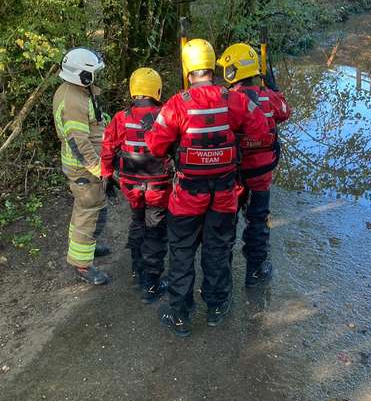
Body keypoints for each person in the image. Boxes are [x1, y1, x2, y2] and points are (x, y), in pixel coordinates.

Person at [145, 38, 269, 337]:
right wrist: (236, 139)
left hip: (187, 196)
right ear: (213, 68)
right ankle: (215, 307)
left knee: (182, 253)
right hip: (224, 195)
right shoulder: (234, 100)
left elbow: (154, 146)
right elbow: (262, 130)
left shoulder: (178, 103)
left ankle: (180, 315)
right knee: (217, 250)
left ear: (188, 71)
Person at [217, 43, 291, 287]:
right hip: (261, 175)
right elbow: (285, 111)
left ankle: (222, 273)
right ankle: (256, 271)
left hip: (233, 175)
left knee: (226, 224)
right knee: (258, 221)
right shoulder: (269, 98)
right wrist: (273, 87)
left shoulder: (226, 101)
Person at [101, 67, 172, 303]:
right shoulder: (166, 115)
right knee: (155, 231)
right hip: (158, 187)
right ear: (157, 89)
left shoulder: (121, 117)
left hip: (131, 186)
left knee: (137, 221)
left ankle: (136, 267)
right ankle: (151, 284)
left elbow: (108, 146)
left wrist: (107, 175)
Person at [52, 47, 110, 286]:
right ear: (82, 75)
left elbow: (93, 122)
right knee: (89, 211)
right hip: (84, 169)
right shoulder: (73, 101)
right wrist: (99, 168)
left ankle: (86, 248)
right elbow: (78, 143)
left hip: (85, 167)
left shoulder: (75, 91)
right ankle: (82, 265)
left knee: (88, 210)